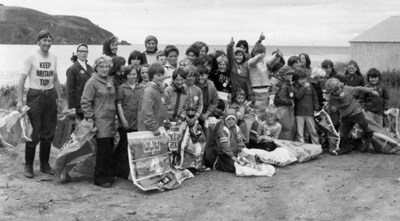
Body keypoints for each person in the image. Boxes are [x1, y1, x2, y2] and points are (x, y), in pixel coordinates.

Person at [17, 30, 62, 178]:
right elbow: (22, 79)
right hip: (35, 96)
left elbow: (55, 79)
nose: (47, 43)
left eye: (49, 41)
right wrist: (19, 100)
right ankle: (28, 165)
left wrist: (59, 99)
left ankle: (44, 164)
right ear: (38, 42)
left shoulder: (54, 57)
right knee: (33, 132)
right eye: (44, 40)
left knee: (48, 132)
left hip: (50, 96)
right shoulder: (31, 57)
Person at [81, 56, 116, 187]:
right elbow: (85, 101)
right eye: (102, 67)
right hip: (100, 119)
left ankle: (108, 174)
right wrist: (90, 118)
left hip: (111, 119)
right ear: (96, 67)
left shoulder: (110, 80)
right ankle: (100, 178)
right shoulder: (92, 81)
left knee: (109, 147)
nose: (104, 69)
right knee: (103, 148)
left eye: (107, 67)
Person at [325, 78, 378, 154]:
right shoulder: (332, 98)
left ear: (340, 86)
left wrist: (371, 91)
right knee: (342, 134)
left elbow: (359, 89)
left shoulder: (347, 89)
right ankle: (346, 148)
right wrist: (333, 109)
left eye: (338, 90)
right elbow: (332, 107)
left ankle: (366, 146)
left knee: (366, 127)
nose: (337, 92)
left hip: (356, 112)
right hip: (346, 116)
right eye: (334, 91)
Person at [113, 65, 144, 179]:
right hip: (125, 121)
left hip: (137, 122)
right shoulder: (122, 88)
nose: (132, 76)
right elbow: (119, 105)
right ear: (126, 76)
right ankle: (123, 171)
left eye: (134, 74)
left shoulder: (141, 88)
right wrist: (123, 120)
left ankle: (133, 171)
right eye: (130, 74)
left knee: (135, 148)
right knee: (124, 147)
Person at [248, 33, 282, 112]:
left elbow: (270, 61)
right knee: (256, 111)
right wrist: (258, 57)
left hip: (265, 90)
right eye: (258, 52)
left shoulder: (264, 62)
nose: (260, 54)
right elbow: (253, 62)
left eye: (262, 52)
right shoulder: (251, 62)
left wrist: (276, 55)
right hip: (256, 91)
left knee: (264, 111)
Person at [66, 43, 94, 120]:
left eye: (86, 51)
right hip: (79, 108)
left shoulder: (90, 68)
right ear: (77, 53)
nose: (84, 53)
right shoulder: (72, 69)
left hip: (90, 106)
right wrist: (72, 109)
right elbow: (70, 91)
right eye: (81, 51)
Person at [138, 63, 168, 134]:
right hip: (150, 131)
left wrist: (167, 121)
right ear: (151, 76)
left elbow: (162, 110)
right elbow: (147, 112)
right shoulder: (149, 91)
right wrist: (154, 128)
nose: (161, 77)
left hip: (159, 128)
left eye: (162, 75)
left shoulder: (159, 90)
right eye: (158, 75)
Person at [292, 69, 320, 144]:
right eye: (301, 79)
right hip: (299, 113)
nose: (303, 81)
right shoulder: (294, 87)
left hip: (309, 112)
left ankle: (316, 146)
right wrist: (303, 87)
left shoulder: (310, 86)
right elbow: (298, 96)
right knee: (300, 133)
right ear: (295, 80)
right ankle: (301, 147)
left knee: (313, 131)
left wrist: (316, 108)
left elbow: (315, 97)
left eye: (304, 78)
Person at [274, 66, 296, 141]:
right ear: (283, 76)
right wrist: (290, 102)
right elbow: (281, 98)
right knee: (286, 128)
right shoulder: (284, 85)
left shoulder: (287, 84)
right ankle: (284, 144)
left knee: (289, 128)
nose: (291, 76)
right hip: (284, 109)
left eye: (291, 74)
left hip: (287, 109)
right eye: (288, 74)